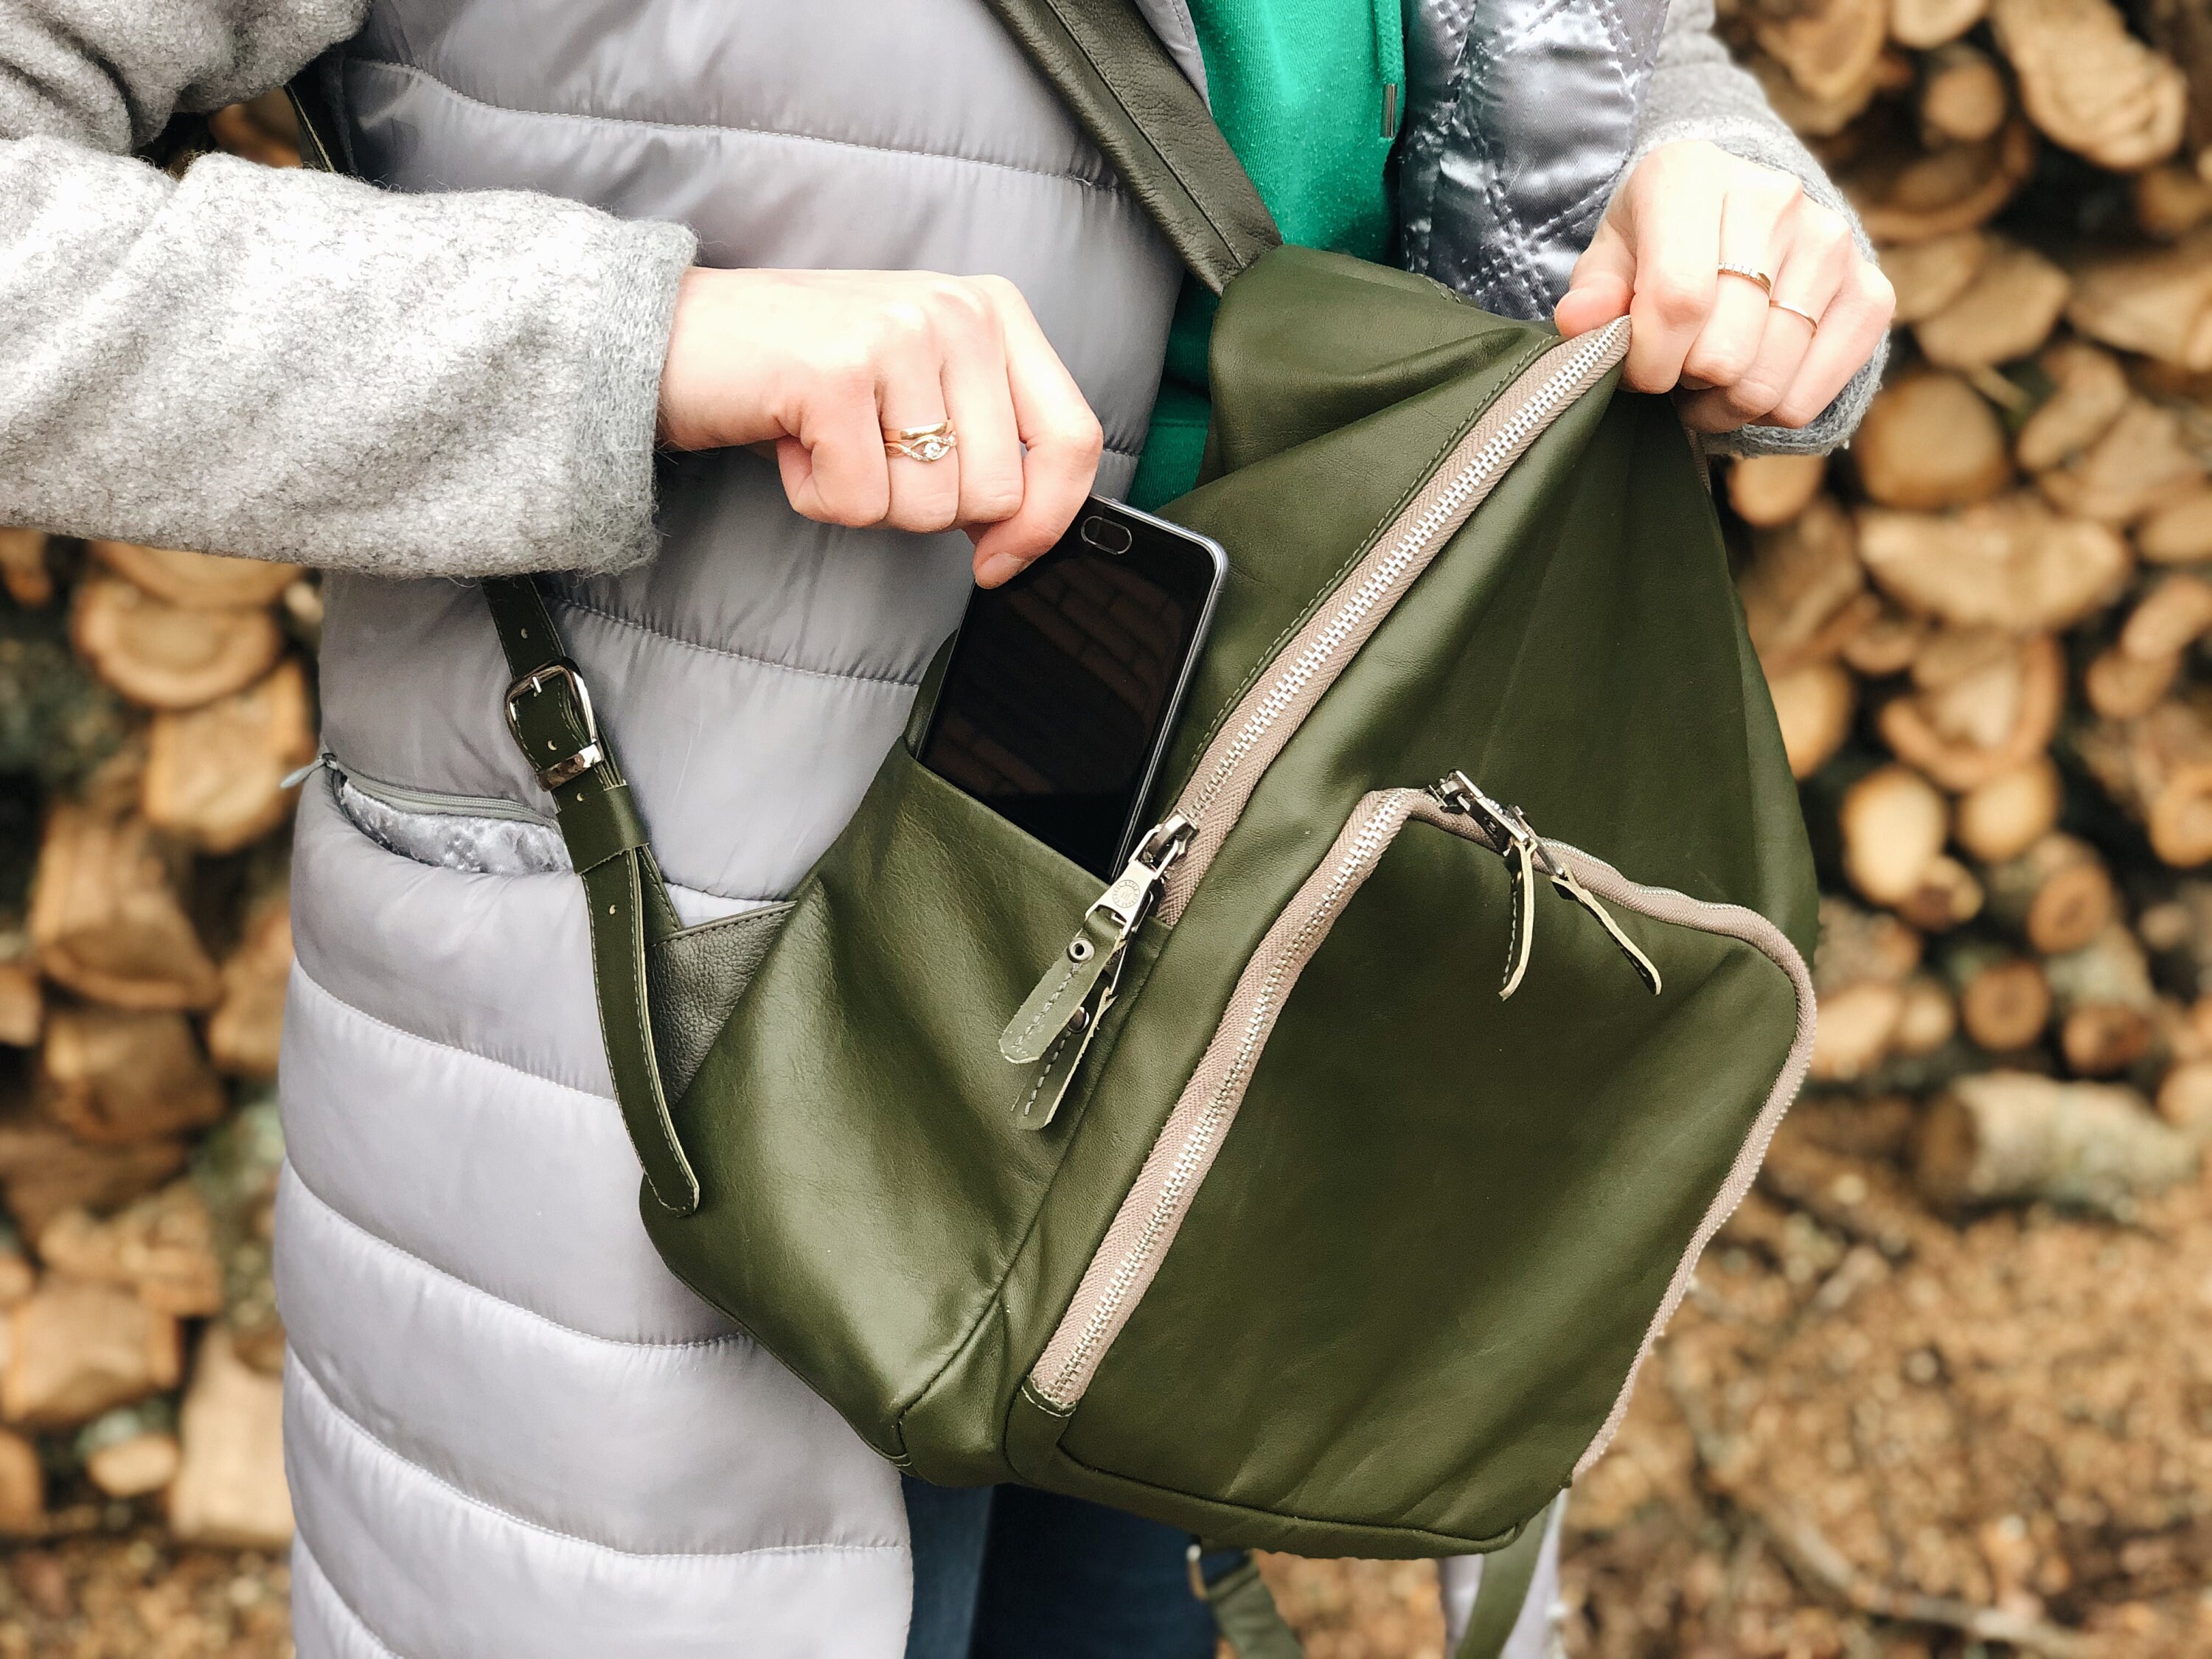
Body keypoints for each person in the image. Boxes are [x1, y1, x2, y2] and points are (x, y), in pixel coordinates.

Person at [0, 1, 1893, 1654]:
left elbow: (1548, 60)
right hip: (675, 1061)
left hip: (1222, 1018)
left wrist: (1723, 191)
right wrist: (653, 347)